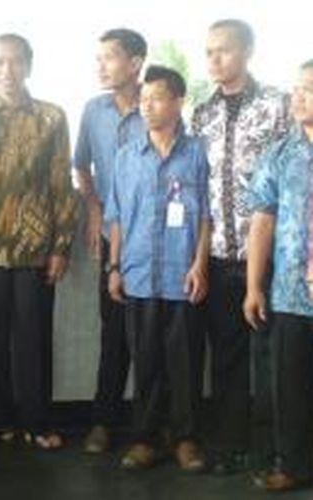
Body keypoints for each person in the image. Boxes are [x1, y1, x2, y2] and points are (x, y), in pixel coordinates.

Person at [0, 33, 78, 449]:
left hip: (36, 247)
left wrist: (61, 246)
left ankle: (37, 423)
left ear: (29, 65)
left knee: (34, 339)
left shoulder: (51, 118)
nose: (7, 70)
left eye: (16, 61)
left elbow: (62, 182)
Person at [191, 18, 290, 476]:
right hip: (220, 254)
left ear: (247, 51)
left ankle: (275, 450)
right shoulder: (201, 112)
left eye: (224, 50)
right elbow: (200, 191)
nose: (214, 59)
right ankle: (230, 444)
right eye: (209, 51)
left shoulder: (278, 106)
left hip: (268, 257)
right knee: (227, 357)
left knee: (271, 360)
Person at [106, 65, 210, 472]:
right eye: (144, 99)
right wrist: (114, 268)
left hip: (183, 275)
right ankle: (146, 438)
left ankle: (185, 439)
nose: (148, 107)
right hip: (138, 274)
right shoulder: (127, 157)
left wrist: (200, 264)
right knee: (145, 360)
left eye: (157, 98)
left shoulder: (199, 153)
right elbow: (117, 217)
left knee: (185, 363)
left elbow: (206, 216)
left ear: (179, 102)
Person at [74, 28, 147, 454]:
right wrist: (94, 207)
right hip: (111, 241)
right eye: (97, 57)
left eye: (110, 57)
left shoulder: (158, 106)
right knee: (113, 334)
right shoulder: (93, 110)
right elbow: (81, 165)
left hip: (157, 244)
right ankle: (103, 421)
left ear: (135, 63)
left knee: (154, 337)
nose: (100, 66)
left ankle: (153, 428)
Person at [244, 59, 313, 493]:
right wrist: (253, 286)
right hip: (291, 293)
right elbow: (262, 221)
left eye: (309, 88)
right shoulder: (281, 153)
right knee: (290, 389)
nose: (298, 96)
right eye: (297, 88)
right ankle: (292, 463)